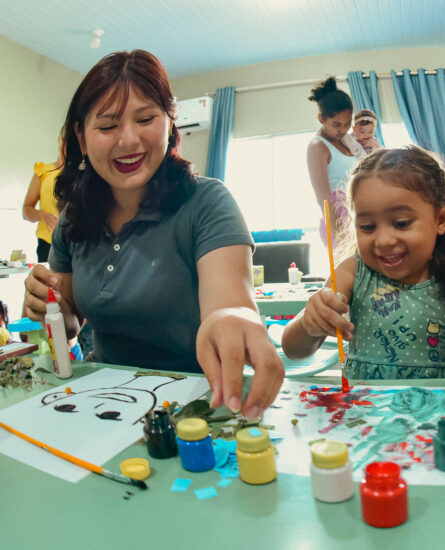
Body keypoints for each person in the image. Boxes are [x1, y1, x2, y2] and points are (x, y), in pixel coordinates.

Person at [22, 50, 284, 418]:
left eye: (145, 119)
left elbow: (229, 301)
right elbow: (70, 324)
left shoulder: (207, 202)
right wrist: (46, 306)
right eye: (108, 126)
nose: (129, 140)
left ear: (170, 122)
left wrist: (233, 317)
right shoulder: (72, 220)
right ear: (81, 136)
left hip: (197, 402)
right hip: (104, 401)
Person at [282, 146, 445, 379]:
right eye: (367, 227)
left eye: (402, 223)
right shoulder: (351, 274)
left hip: (433, 403)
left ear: (440, 219)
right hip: (364, 402)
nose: (384, 240)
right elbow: (293, 350)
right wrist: (309, 324)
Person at [306, 77, 358, 245]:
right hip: (338, 224)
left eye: (347, 123)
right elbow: (323, 199)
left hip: (356, 217)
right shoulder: (318, 147)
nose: (343, 129)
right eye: (336, 124)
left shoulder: (348, 142)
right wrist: (341, 240)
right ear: (321, 119)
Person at [22, 134, 64, 262]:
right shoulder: (43, 171)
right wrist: (42, 215)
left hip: (79, 244)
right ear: (59, 140)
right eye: (65, 138)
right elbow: (26, 211)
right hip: (47, 244)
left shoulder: (84, 173)